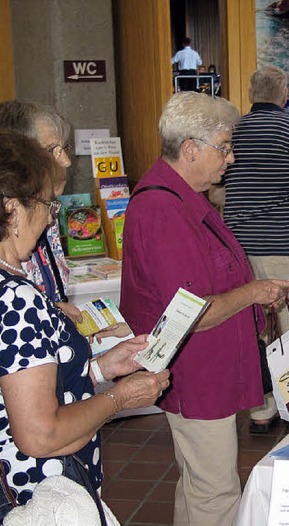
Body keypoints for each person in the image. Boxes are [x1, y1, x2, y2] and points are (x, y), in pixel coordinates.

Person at [119, 91, 289, 526]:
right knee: (216, 492)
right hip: (196, 373)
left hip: (206, 369)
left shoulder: (185, 197)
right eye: (225, 147)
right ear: (190, 149)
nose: (231, 159)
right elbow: (191, 312)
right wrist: (254, 292)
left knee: (200, 484)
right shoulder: (162, 206)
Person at [0, 129, 169, 509]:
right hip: (36, 495)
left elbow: (22, 382)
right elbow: (41, 434)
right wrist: (120, 398)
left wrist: (100, 369)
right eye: (47, 204)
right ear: (13, 209)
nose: (50, 220)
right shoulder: (15, 298)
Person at [214, 64, 289, 433]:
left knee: (251, 329)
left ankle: (260, 410)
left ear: (251, 95)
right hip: (284, 245)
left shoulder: (232, 132)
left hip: (239, 249)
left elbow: (218, 189)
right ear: (284, 94)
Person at [0, 100, 84, 324]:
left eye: (64, 149)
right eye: (52, 151)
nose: (65, 162)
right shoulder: (13, 221)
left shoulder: (48, 211)